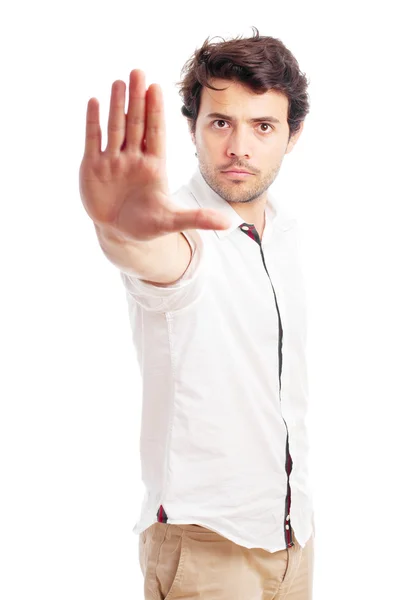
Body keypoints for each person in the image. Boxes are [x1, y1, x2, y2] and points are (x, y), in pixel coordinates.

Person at [79, 26, 315, 600]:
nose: (240, 146)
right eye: (220, 122)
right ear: (193, 127)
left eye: (263, 126)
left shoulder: (286, 234)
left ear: (292, 135)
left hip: (293, 540)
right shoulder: (181, 228)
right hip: (205, 550)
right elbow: (159, 263)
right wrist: (119, 230)